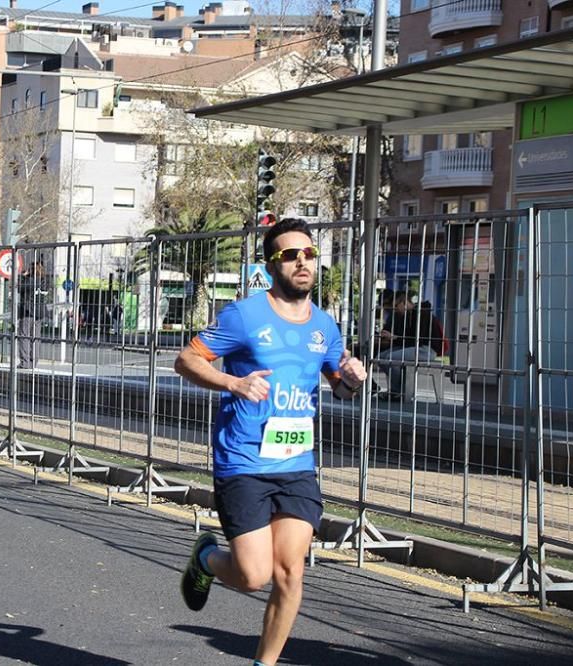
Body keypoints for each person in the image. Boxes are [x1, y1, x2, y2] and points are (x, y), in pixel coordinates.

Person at [174, 218, 366, 666]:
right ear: (271, 264)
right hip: (243, 461)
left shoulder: (324, 325)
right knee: (253, 575)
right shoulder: (245, 316)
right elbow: (186, 359)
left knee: (289, 573)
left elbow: (338, 385)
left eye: (308, 254)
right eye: (290, 254)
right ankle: (206, 560)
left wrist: (353, 381)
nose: (302, 262)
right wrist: (232, 383)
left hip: (297, 463)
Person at [375, 291, 445, 401]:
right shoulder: (403, 316)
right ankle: (398, 390)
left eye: (396, 306)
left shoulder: (422, 314)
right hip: (412, 347)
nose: (395, 310)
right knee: (381, 357)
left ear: (404, 303)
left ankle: (398, 391)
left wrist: (395, 337)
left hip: (426, 349)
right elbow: (405, 339)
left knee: (390, 358)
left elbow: (418, 339)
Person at [17, 259, 47, 369]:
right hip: (39, 313)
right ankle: (33, 362)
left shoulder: (30, 281)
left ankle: (25, 363)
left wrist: (23, 276)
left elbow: (19, 287)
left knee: (24, 337)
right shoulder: (44, 282)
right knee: (36, 338)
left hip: (27, 312)